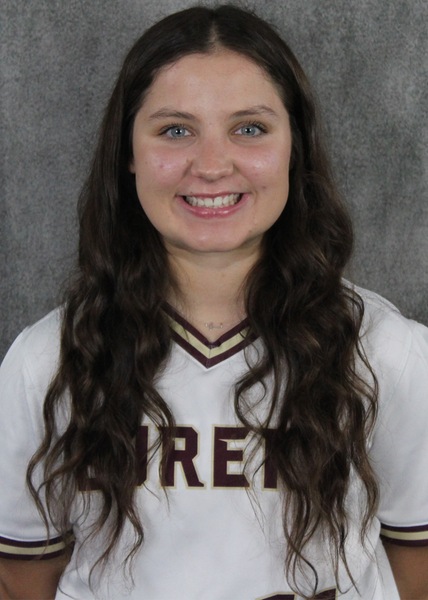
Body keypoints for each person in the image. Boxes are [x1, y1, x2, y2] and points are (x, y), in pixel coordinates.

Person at [0, 4, 427, 599]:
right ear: (128, 153)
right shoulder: (48, 359)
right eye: (176, 130)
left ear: (295, 147)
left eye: (249, 129)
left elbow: (416, 560)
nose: (211, 166)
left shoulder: (388, 353)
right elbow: (22, 574)